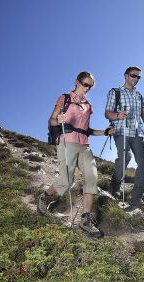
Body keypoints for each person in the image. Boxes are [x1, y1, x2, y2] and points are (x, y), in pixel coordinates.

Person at [37, 71, 113, 236]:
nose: (87, 88)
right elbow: (52, 120)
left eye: (90, 86)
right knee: (66, 180)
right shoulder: (65, 98)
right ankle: (44, 197)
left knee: (92, 176)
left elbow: (87, 130)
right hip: (66, 141)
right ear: (77, 81)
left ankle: (85, 220)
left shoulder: (88, 105)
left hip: (84, 144)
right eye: (85, 84)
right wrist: (59, 120)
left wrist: (105, 132)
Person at [106, 66, 144, 209]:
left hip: (137, 133)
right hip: (121, 130)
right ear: (125, 75)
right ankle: (115, 187)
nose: (136, 79)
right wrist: (118, 115)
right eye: (133, 75)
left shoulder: (139, 95)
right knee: (125, 158)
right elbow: (107, 113)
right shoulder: (115, 92)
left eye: (138, 77)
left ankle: (136, 198)